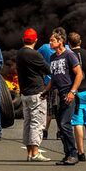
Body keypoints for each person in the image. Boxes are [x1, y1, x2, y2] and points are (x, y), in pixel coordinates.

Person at [42, 30, 83, 166]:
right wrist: (45, 92)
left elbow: (79, 75)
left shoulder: (70, 55)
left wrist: (72, 92)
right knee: (60, 125)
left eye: (52, 40)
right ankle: (67, 155)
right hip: (56, 94)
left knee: (65, 124)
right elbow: (53, 78)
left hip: (67, 93)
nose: (50, 43)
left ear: (60, 41)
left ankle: (73, 154)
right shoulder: (53, 57)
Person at [16, 28, 51, 162]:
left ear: (23, 39)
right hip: (37, 94)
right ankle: (35, 153)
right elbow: (48, 70)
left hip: (25, 94)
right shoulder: (35, 55)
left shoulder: (20, 53)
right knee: (37, 123)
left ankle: (30, 153)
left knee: (28, 123)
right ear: (36, 40)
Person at [68, 32, 86, 162]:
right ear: (80, 42)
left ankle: (81, 153)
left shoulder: (68, 55)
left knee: (78, 123)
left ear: (69, 44)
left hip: (76, 92)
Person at [36, 27, 69, 139]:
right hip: (63, 84)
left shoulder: (44, 48)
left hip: (49, 82)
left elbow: (36, 57)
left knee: (49, 109)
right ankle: (60, 132)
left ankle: (45, 131)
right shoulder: (68, 49)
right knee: (61, 110)